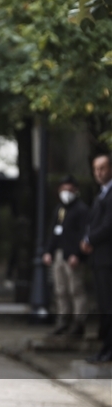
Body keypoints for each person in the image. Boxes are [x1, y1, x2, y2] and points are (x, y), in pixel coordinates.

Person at [42, 175, 89, 337]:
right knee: (60, 289)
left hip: (72, 256)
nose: (66, 193)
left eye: (69, 189)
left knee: (75, 289)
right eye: (64, 189)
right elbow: (54, 232)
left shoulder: (81, 210)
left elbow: (84, 234)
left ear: (75, 190)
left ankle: (78, 322)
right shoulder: (60, 209)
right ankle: (63, 321)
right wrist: (48, 251)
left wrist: (77, 254)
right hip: (59, 254)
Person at [81, 152, 112, 363]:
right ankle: (105, 348)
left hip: (107, 259)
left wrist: (89, 239)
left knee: (108, 306)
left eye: (102, 168)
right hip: (100, 259)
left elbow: (108, 225)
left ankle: (108, 350)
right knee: (103, 305)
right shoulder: (101, 193)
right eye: (95, 169)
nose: (99, 173)